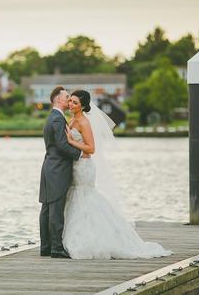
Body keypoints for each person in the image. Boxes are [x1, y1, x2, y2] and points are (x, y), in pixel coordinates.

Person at [62, 90, 172, 259]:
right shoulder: (72, 119)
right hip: (76, 165)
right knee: (77, 197)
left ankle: (94, 238)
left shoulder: (83, 122)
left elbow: (91, 149)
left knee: (85, 197)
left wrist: (71, 141)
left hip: (84, 167)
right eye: (70, 101)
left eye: (75, 103)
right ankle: (79, 234)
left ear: (83, 106)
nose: (71, 104)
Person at [39, 86, 86, 258]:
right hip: (57, 168)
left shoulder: (52, 117)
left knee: (47, 208)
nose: (69, 99)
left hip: (49, 167)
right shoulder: (58, 120)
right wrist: (80, 154)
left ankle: (46, 247)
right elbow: (61, 144)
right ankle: (57, 248)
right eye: (67, 97)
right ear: (58, 99)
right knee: (56, 209)